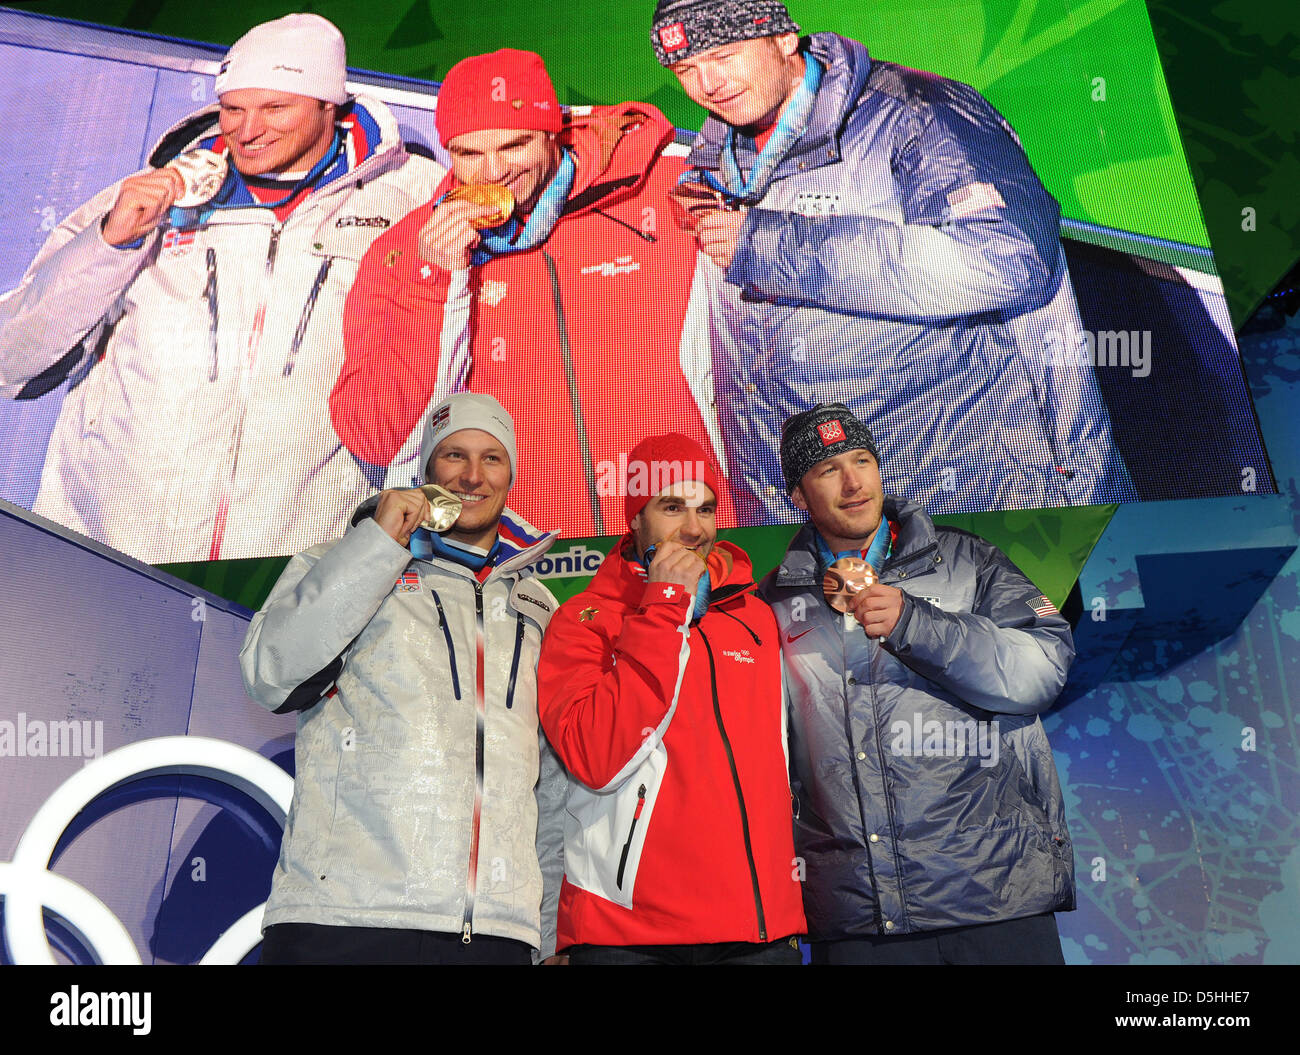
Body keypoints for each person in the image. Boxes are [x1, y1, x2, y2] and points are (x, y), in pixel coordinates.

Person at [651, 0, 1137, 526]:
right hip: (843, 505)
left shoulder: (916, 113)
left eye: (723, 56)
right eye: (686, 70)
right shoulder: (714, 159)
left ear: (784, 38)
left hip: (991, 486)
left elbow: (1007, 260)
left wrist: (773, 249)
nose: (708, 83)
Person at [0, 13, 441, 564]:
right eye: (233, 108)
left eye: (275, 107)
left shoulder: (415, 199)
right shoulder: (148, 196)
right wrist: (110, 242)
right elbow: (11, 359)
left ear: (330, 104)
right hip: (116, 550)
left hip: (296, 562)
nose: (247, 129)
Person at [333, 48, 731, 539]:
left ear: (552, 134)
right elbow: (373, 434)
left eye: (514, 146)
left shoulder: (671, 194)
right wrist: (433, 284)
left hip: (683, 524)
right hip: (523, 547)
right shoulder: (408, 249)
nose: (492, 173)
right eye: (469, 154)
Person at [239, 391, 564, 964]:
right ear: (425, 471)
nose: (471, 476)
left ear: (511, 474)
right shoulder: (345, 563)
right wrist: (377, 547)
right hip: (344, 918)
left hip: (495, 934)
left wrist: (546, 931)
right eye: (453, 456)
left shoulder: (539, 610)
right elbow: (272, 673)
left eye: (492, 458)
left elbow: (553, 789)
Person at [760, 402, 1075, 964]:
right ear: (798, 495)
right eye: (829, 470)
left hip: (995, 895)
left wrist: (914, 623)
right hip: (859, 914)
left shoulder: (968, 561)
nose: (854, 482)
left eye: (862, 460)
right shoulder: (775, 601)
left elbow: (1040, 671)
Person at [536, 432, 805, 964]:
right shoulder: (585, 620)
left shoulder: (753, 616)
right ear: (634, 520)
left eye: (705, 509)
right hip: (630, 935)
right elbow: (594, 759)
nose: (694, 528)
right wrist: (662, 609)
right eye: (671, 507)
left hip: (758, 929)